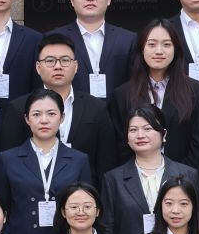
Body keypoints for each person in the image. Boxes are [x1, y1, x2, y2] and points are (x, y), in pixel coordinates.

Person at [7, 33, 121, 177]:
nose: (58, 66)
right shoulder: (18, 107)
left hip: (83, 187)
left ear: (76, 66)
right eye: (50, 61)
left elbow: (106, 162)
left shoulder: (96, 108)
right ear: (38, 67)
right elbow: (9, 162)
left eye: (65, 60)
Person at [0, 90, 92, 234]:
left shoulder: (79, 160)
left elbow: (87, 206)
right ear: (27, 119)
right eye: (36, 114)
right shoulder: (8, 160)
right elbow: (1, 209)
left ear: (62, 117)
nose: (44, 120)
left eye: (51, 114)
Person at [112, 19, 199, 173]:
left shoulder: (197, 92)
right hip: (136, 179)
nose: (159, 51)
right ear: (142, 49)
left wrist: (180, 178)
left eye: (166, 44)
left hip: (183, 179)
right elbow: (121, 145)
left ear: (176, 50)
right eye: (152, 44)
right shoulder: (122, 94)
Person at [100, 106, 199, 234]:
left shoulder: (188, 174)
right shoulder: (113, 179)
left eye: (147, 129)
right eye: (133, 130)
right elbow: (108, 229)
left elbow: (198, 222)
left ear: (163, 134)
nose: (140, 135)